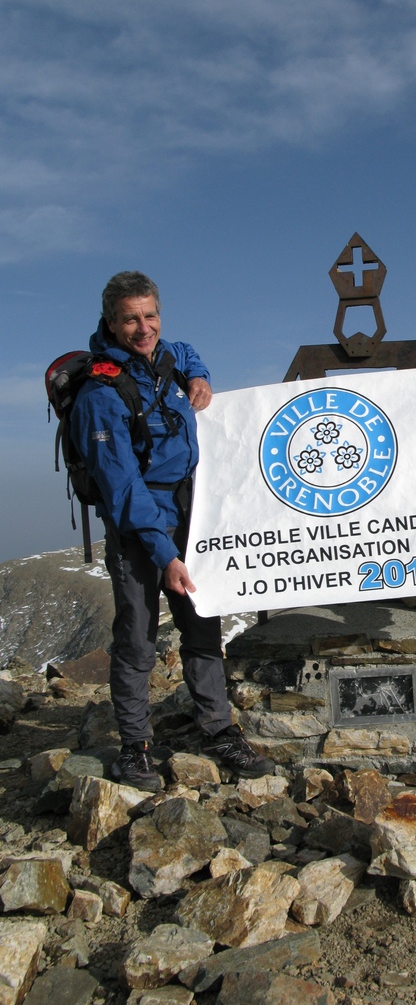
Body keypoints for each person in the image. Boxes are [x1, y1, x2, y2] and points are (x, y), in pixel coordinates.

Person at [72, 271, 272, 791]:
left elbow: (184, 351)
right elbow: (123, 489)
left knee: (202, 623)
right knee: (137, 636)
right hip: (140, 522)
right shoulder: (100, 394)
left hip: (192, 512)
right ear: (111, 323)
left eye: (150, 315)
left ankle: (218, 730)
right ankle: (135, 747)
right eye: (131, 319)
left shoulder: (167, 358)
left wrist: (200, 375)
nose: (144, 328)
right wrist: (165, 555)